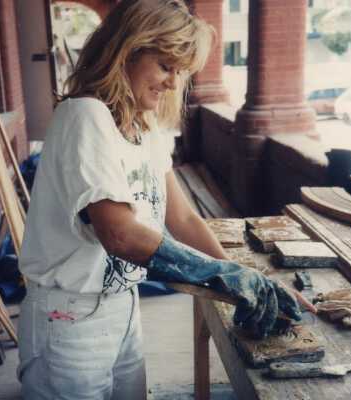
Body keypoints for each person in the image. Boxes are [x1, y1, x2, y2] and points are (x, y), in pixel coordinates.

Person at [17, 1, 303, 399]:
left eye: (179, 71)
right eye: (165, 66)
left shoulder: (145, 124)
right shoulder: (84, 116)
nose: (172, 83)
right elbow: (118, 234)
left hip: (122, 304)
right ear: (126, 52)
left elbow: (182, 217)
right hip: (69, 316)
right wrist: (220, 276)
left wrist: (240, 277)